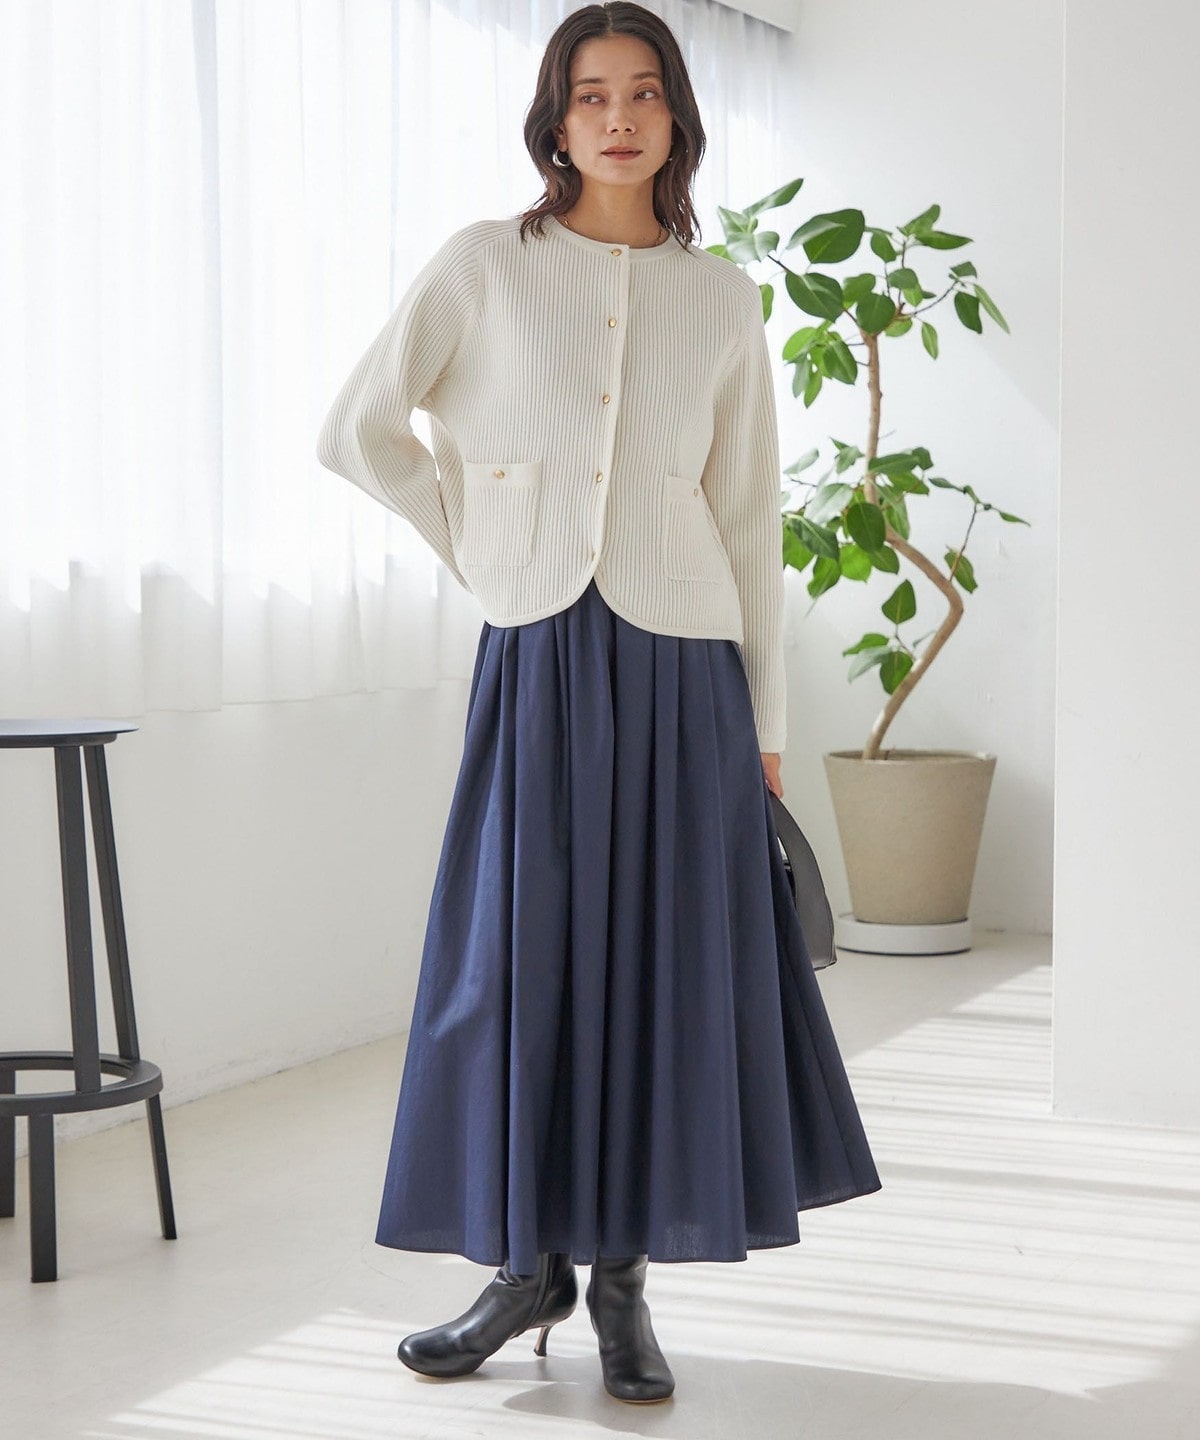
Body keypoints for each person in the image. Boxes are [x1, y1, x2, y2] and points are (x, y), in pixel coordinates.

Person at [315, 0, 880, 1407]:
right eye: (589, 94)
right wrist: (483, 539)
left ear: (677, 115)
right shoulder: (484, 267)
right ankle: (524, 1270)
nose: (617, 118)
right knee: (518, 965)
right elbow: (361, 429)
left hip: (688, 669)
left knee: (661, 973)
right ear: (555, 121)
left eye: (642, 93)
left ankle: (622, 1284)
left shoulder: (722, 297)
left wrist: (766, 730)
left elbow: (750, 517)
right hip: (542, 655)